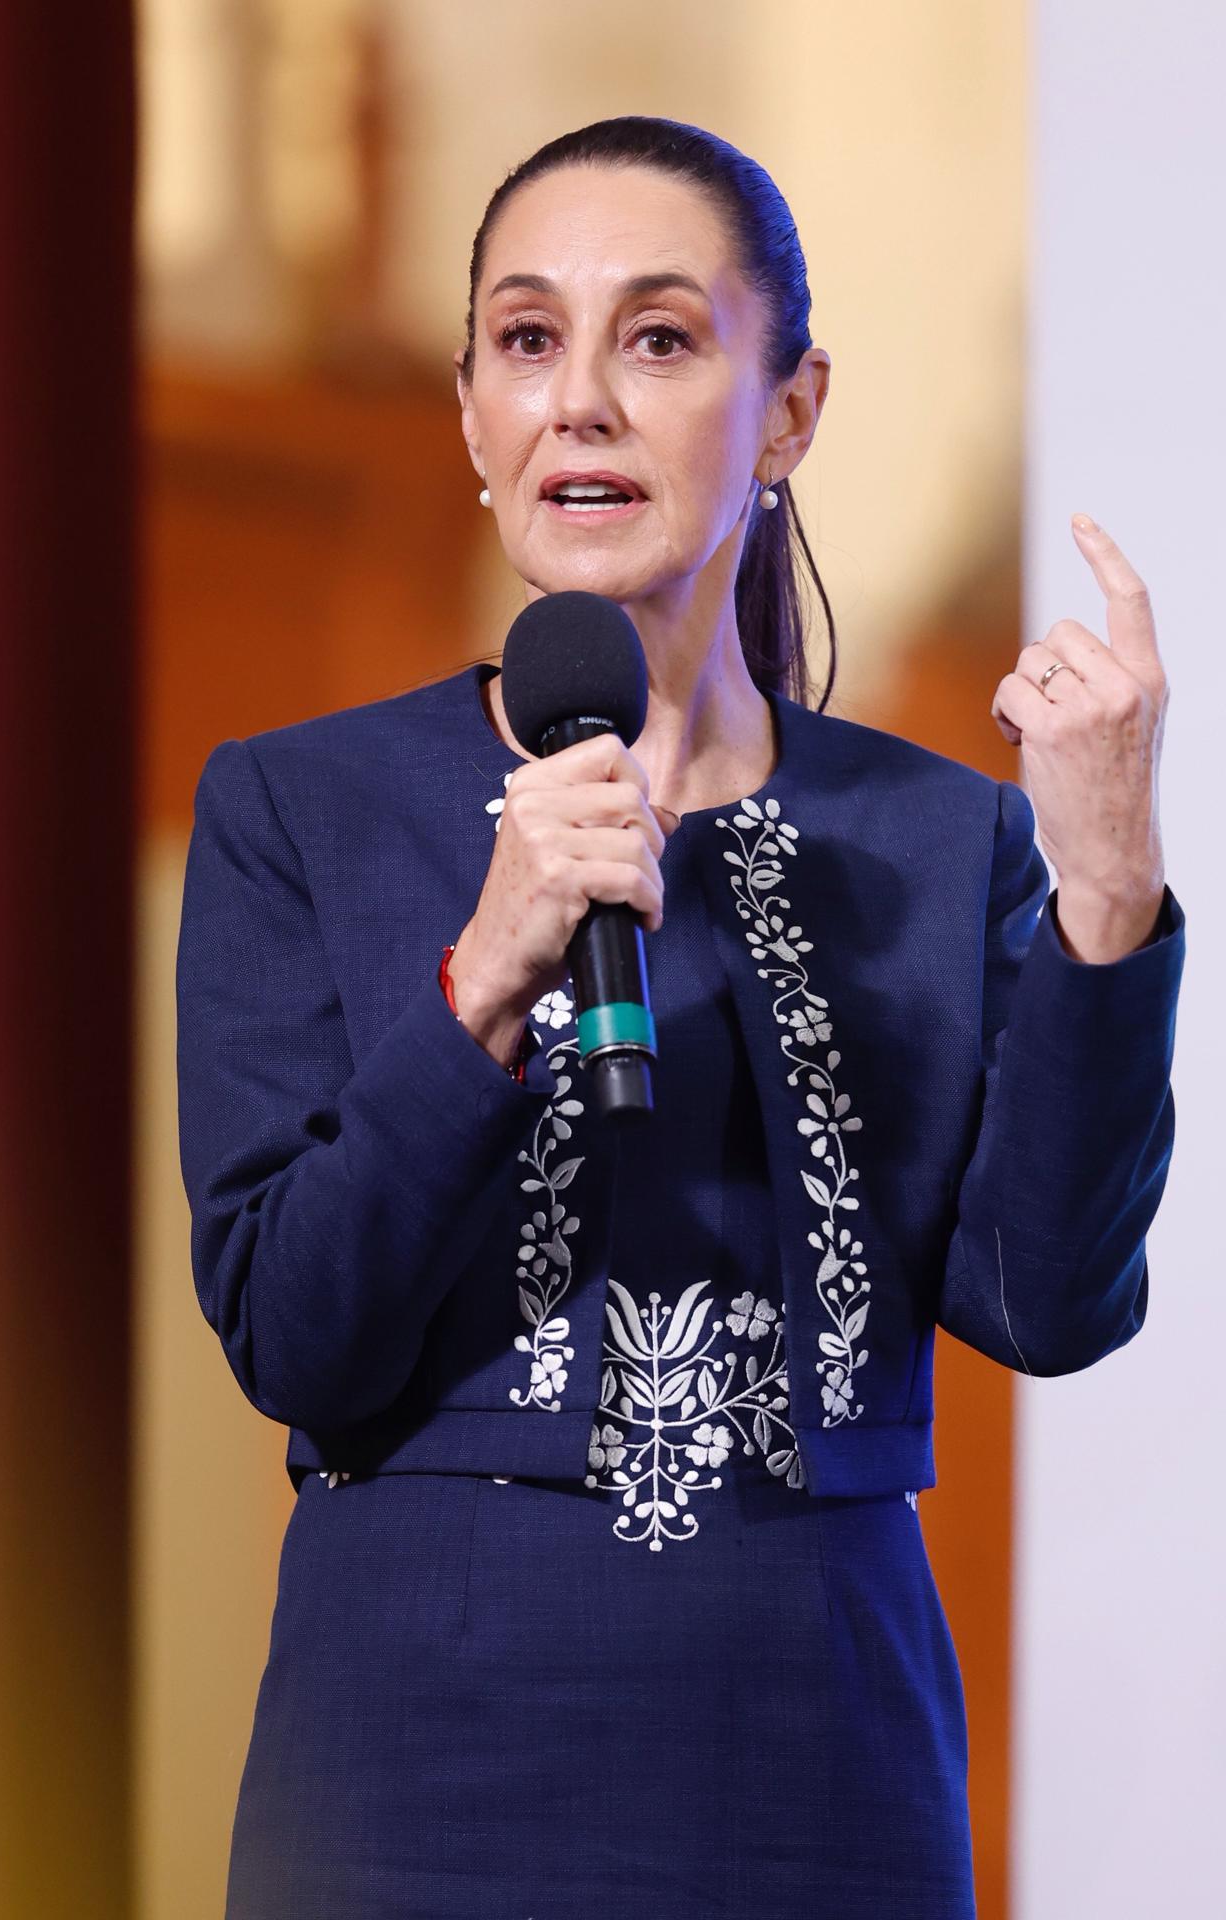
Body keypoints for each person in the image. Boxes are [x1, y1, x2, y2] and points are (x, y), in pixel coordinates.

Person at [175, 116, 1185, 1919]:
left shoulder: (944, 837)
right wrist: (485, 972)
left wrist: (1108, 898)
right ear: (474, 417)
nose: (581, 400)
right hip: (417, 1776)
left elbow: (1050, 1297)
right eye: (525, 339)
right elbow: (292, 1332)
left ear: (788, 411)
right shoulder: (299, 807)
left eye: (657, 337)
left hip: (821, 1764)